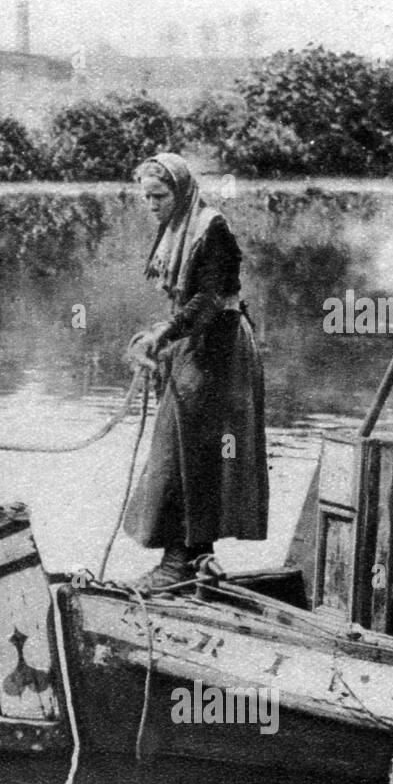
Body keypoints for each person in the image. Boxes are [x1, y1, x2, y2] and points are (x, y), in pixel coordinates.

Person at [122, 152, 268, 590]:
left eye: (159, 196)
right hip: (196, 346)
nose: (152, 205)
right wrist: (160, 339)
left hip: (220, 349)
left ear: (181, 191)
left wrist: (163, 334)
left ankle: (180, 562)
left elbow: (207, 300)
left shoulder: (212, 229)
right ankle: (192, 556)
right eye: (146, 197)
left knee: (195, 452)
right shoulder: (176, 229)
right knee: (181, 449)